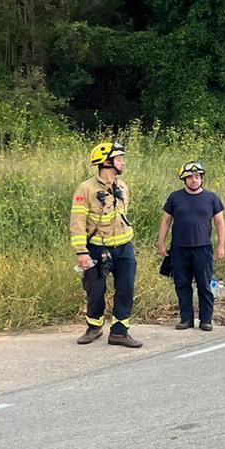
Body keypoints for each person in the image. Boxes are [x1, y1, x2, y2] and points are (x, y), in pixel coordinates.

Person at [70, 141, 142, 348]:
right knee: (95, 290)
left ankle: (120, 332)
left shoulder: (122, 186)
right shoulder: (86, 188)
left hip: (124, 247)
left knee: (126, 288)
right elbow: (77, 222)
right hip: (96, 248)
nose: (123, 162)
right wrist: (81, 252)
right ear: (106, 162)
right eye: (119, 159)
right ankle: (94, 327)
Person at [158, 162, 225, 331]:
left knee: (204, 285)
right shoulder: (175, 198)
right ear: (184, 180)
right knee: (182, 285)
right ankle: (186, 319)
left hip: (202, 248)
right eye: (190, 177)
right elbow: (166, 221)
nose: (194, 180)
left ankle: (206, 320)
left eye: (197, 177)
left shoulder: (212, 198)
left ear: (202, 179)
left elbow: (220, 223)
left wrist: (221, 246)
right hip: (179, 249)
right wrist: (161, 243)